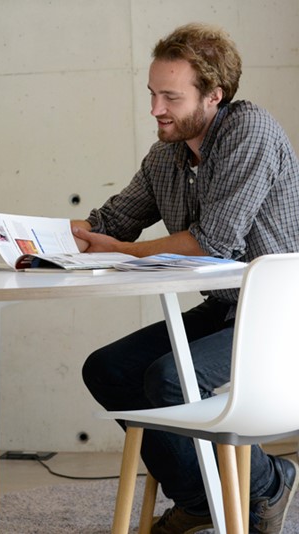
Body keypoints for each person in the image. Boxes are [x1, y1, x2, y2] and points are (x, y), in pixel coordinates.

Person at [74, 23, 299, 534]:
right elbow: (111, 223)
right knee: (107, 370)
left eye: (170, 97)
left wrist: (122, 250)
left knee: (171, 378)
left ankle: (267, 484)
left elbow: (213, 241)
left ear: (214, 95)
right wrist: (43, 238)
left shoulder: (250, 132)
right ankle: (200, 499)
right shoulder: (167, 155)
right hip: (227, 307)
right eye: (152, 94)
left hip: (284, 313)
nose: (156, 109)